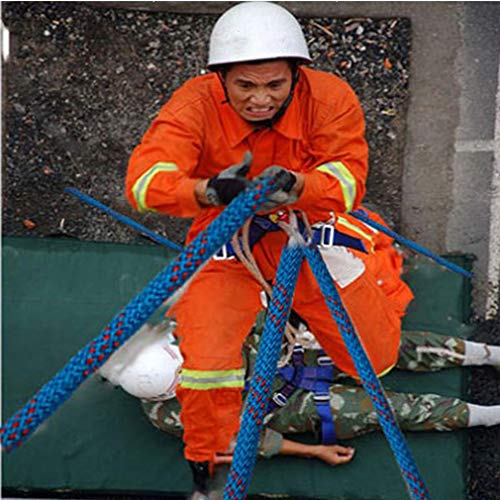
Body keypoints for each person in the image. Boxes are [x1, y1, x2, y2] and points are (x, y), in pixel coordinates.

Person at [125, 1, 411, 493]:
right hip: (225, 237)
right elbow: (146, 181)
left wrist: (299, 186)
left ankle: (322, 326)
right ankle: (206, 459)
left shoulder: (329, 98)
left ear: (295, 77)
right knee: (206, 366)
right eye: (245, 86)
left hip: (303, 229)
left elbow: (347, 179)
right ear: (221, 79)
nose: (260, 99)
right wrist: (206, 191)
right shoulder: (194, 105)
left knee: (375, 355)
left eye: (274, 86)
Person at [99, 320, 500, 496]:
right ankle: (487, 415)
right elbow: (243, 442)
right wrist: (313, 450)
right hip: (292, 405)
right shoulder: (172, 416)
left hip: (290, 353)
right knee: (385, 410)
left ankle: (488, 354)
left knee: (384, 345)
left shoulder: (185, 333)